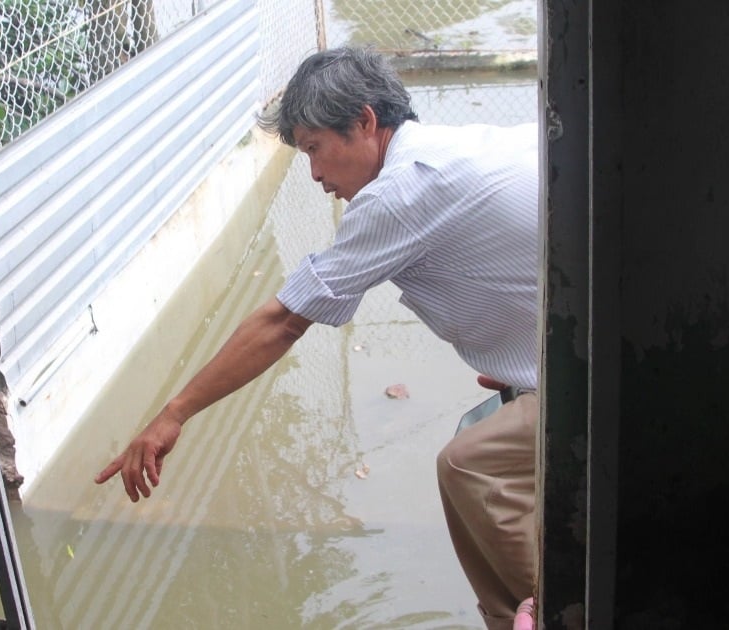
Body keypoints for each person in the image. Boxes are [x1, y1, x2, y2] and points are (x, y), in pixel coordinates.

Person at [94, 46, 539, 630]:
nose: (315, 175)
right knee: (478, 429)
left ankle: (552, 610)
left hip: (602, 378)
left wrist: (173, 414)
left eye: (314, 149)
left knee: (470, 463)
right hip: (589, 345)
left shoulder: (400, 193)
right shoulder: (458, 146)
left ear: (365, 122)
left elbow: (283, 321)